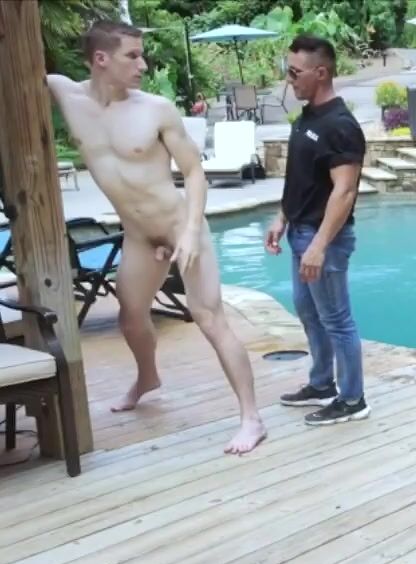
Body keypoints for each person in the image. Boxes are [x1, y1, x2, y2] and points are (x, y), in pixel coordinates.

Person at [45, 20, 267, 455]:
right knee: (130, 317)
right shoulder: (66, 95)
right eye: (132, 55)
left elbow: (194, 171)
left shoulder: (156, 109)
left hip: (180, 227)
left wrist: (190, 231)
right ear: (100, 59)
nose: (143, 64)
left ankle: (251, 418)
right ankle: (147, 377)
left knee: (209, 318)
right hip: (138, 236)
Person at [264, 34, 369, 426]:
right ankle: (322, 383)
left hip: (324, 238)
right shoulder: (308, 117)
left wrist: (320, 245)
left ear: (321, 73)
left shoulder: (340, 126)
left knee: (337, 320)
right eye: (287, 70)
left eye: (295, 72)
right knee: (309, 312)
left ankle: (353, 398)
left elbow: (345, 191)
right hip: (300, 232)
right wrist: (282, 217)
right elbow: (301, 179)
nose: (289, 79)